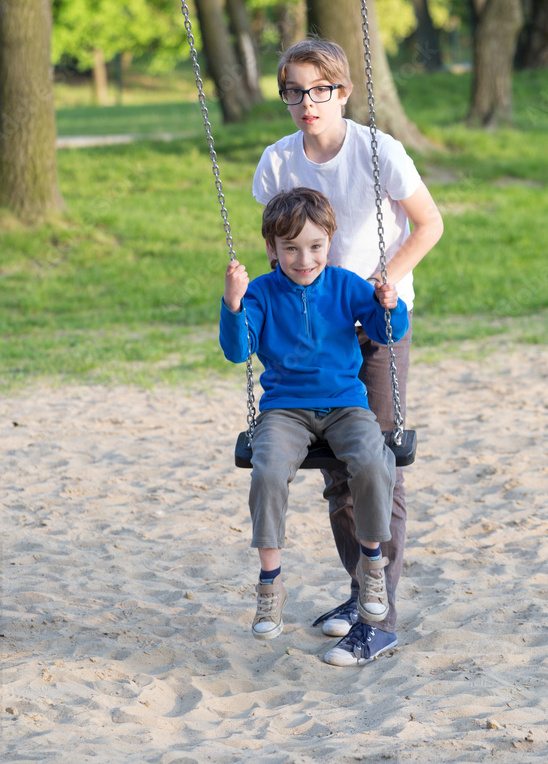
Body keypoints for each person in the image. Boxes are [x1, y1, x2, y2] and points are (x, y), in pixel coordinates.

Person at [252, 38, 444, 666]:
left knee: (376, 464)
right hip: (319, 331)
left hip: (377, 319)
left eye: (320, 90)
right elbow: (281, 250)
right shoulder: (278, 164)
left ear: (342, 92)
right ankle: (362, 594)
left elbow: (429, 223)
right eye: (295, 91)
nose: (307, 103)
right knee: (336, 475)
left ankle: (378, 619)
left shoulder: (376, 151)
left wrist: (383, 281)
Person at [219, 187, 409, 662]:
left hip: (346, 404)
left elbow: (390, 333)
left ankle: (370, 567)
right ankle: (270, 584)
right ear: (272, 250)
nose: (304, 259)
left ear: (329, 242)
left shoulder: (346, 285)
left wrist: (390, 303)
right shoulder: (261, 292)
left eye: (315, 247)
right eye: (291, 249)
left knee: (372, 461)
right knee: (266, 470)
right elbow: (237, 351)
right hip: (285, 409)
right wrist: (234, 305)